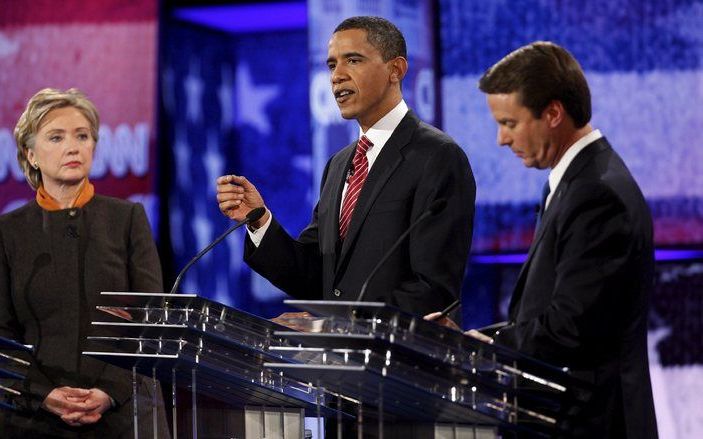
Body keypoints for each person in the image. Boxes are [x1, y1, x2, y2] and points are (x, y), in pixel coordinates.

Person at [430, 41, 657, 438]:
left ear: (553, 113)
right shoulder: (580, 181)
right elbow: (556, 313)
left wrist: (479, 344)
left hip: (591, 424)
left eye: (510, 123)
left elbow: (570, 328)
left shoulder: (596, 195)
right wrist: (474, 338)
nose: (501, 138)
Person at [216, 16, 475, 317]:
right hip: (339, 360)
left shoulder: (437, 156)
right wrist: (259, 220)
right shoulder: (339, 164)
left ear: (396, 69)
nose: (337, 76)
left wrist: (342, 323)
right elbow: (315, 276)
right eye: (331, 65)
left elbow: (433, 290)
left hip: (397, 358)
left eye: (353, 60)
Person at [0, 88, 169, 437]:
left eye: (82, 136)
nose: (73, 146)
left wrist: (110, 392)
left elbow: (150, 319)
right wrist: (43, 393)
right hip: (35, 418)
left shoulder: (127, 219)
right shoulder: (9, 232)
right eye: (56, 137)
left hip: (123, 413)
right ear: (31, 155)